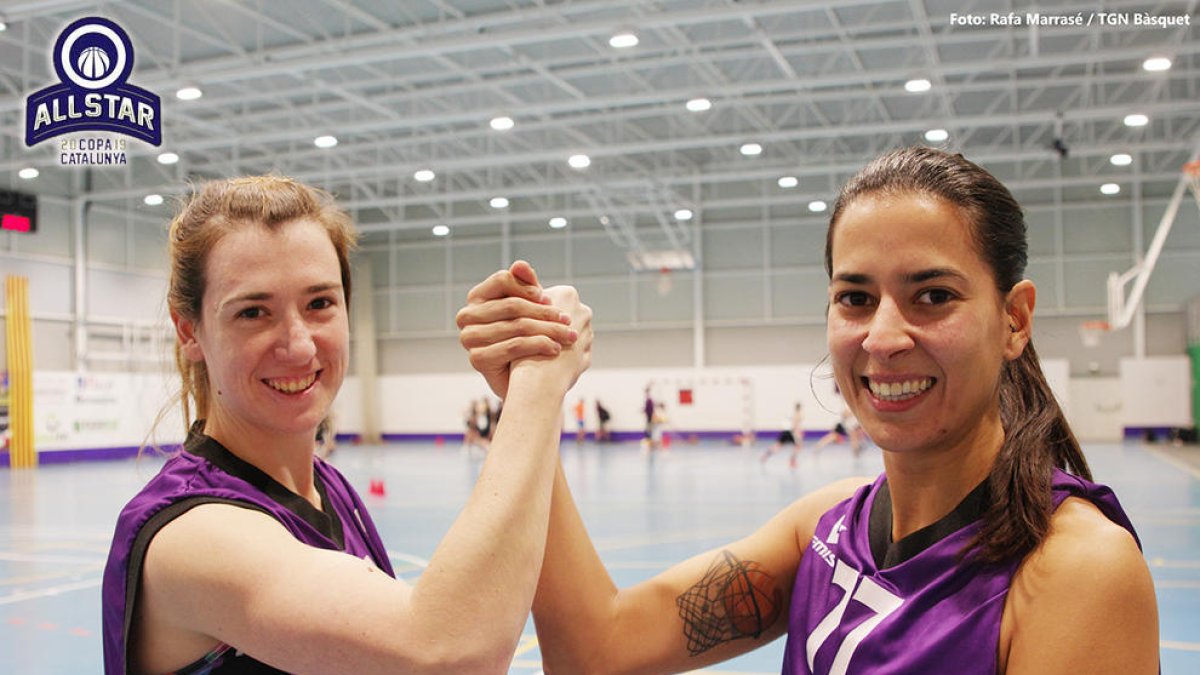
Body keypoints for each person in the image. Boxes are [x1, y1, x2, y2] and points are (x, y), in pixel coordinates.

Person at [455, 147, 1158, 673]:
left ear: (1014, 319)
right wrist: (529, 396)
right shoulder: (826, 529)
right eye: (855, 297)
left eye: (933, 295)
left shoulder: (1073, 570)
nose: (883, 336)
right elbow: (596, 649)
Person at [101, 177, 593, 675]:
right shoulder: (193, 538)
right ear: (189, 330)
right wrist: (539, 377)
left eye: (319, 304)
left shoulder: (329, 489)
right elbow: (447, 654)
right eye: (253, 312)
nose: (299, 346)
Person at [761, 402, 804, 468]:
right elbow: (794, 425)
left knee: (778, 446)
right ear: (800, 408)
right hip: (790, 432)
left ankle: (766, 455)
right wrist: (797, 435)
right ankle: (792, 462)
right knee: (798, 446)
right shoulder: (798, 415)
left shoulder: (793, 414)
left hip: (785, 431)